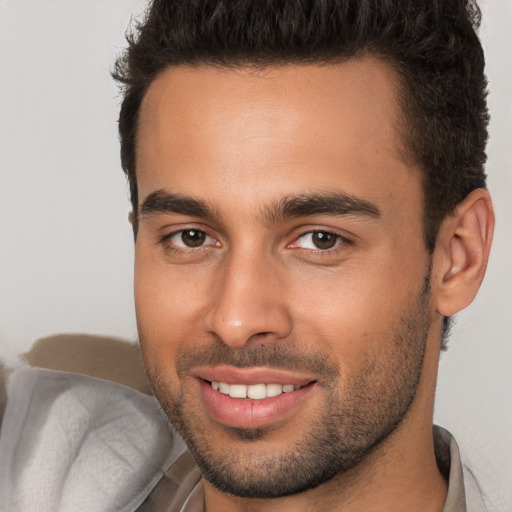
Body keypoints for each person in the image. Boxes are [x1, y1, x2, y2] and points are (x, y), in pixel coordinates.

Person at [0, 1, 496, 511]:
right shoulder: (48, 468)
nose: (235, 321)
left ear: (458, 257)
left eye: (320, 240)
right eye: (191, 237)